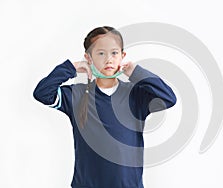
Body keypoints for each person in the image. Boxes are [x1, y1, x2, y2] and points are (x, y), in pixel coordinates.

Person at [33, 26, 176, 188]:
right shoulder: (77, 95)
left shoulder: (136, 95)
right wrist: (71, 67)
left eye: (114, 53)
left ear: (122, 56)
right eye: (101, 53)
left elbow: (169, 97)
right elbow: (42, 93)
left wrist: (137, 72)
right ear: (89, 58)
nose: (108, 59)